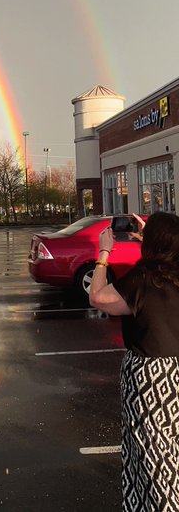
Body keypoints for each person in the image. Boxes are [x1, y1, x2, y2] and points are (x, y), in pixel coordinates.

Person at [90, 211, 179, 509]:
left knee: (152, 454)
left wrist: (103, 252)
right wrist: (154, 232)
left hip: (150, 378)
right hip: (175, 374)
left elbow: (98, 297)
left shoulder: (145, 279)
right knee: (172, 449)